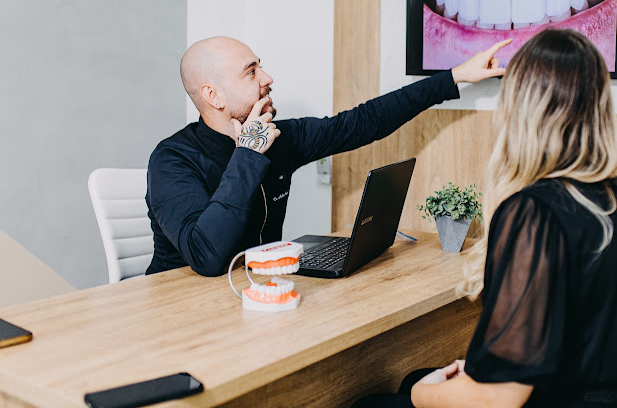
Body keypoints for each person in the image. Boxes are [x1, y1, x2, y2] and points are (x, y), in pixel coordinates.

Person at [354, 29, 617, 408]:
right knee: (415, 378)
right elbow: (587, 326)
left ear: (518, 110)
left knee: (382, 399)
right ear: (598, 108)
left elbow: (498, 401)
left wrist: (423, 396)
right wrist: (485, 371)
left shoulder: (535, 212)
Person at [145, 36, 508, 277]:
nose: (267, 78)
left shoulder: (282, 138)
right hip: (179, 312)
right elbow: (207, 257)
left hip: (253, 296)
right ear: (214, 95)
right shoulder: (172, 160)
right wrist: (248, 153)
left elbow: (366, 121)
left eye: (261, 66)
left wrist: (455, 77)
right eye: (251, 72)